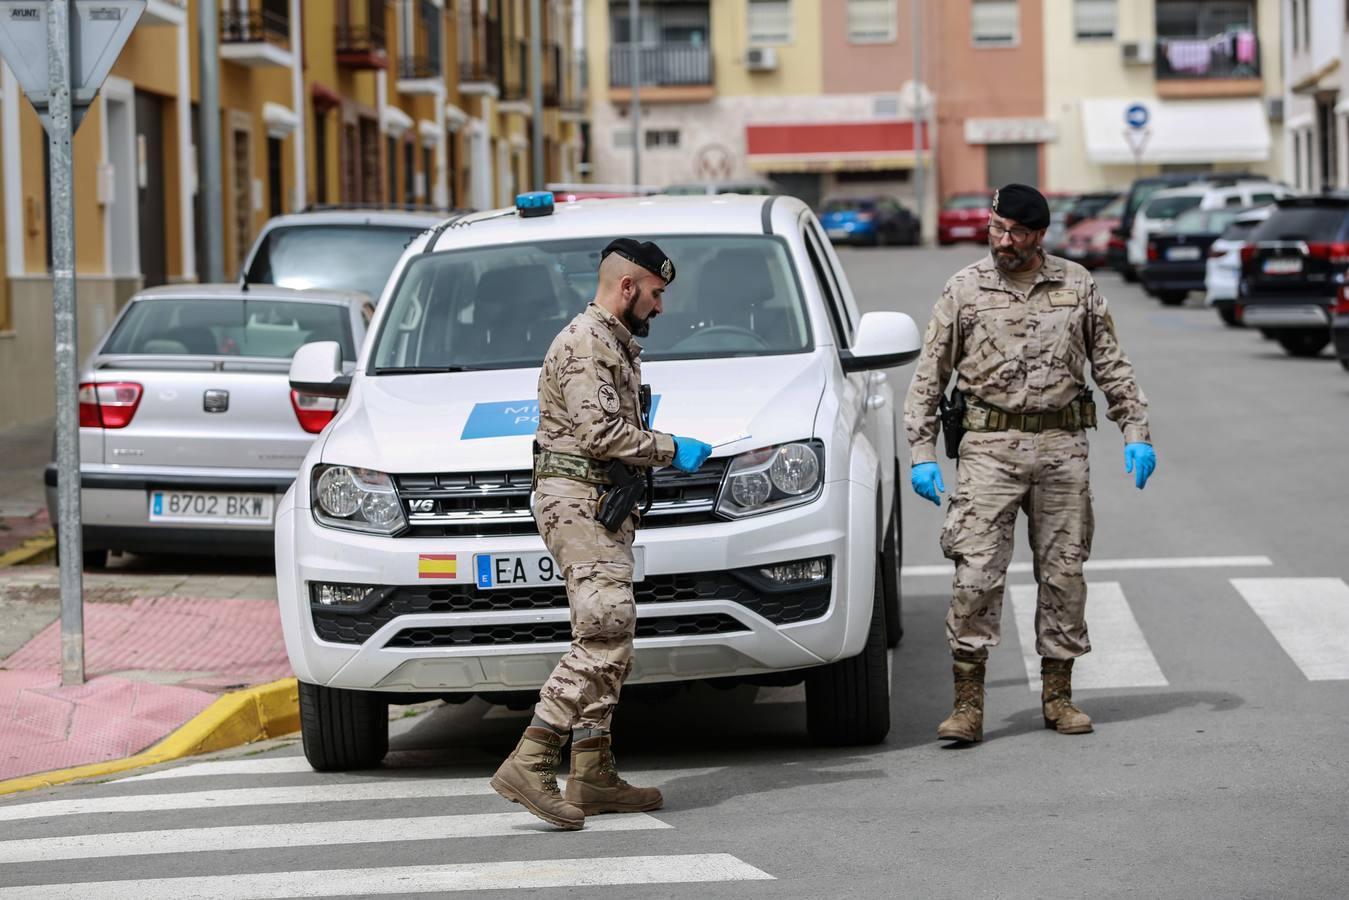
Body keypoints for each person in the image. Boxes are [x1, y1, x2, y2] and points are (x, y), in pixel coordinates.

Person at [903, 184, 1157, 745]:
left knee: (1064, 575)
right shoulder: (965, 289)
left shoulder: (1077, 285)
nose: (1004, 241)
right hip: (988, 451)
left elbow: (1112, 365)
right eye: (997, 229)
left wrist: (1135, 432)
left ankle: (1059, 698)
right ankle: (967, 706)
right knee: (975, 575)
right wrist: (921, 453)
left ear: (1040, 235)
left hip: (1062, 449)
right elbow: (929, 377)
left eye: (1016, 233)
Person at [490, 238, 713, 829]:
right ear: (627, 286)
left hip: (600, 505)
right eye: (657, 293)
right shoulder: (587, 345)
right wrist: (671, 448)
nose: (661, 307)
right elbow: (600, 435)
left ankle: (591, 770)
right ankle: (532, 757)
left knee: (616, 637)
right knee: (605, 631)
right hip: (578, 503)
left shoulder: (614, 343)